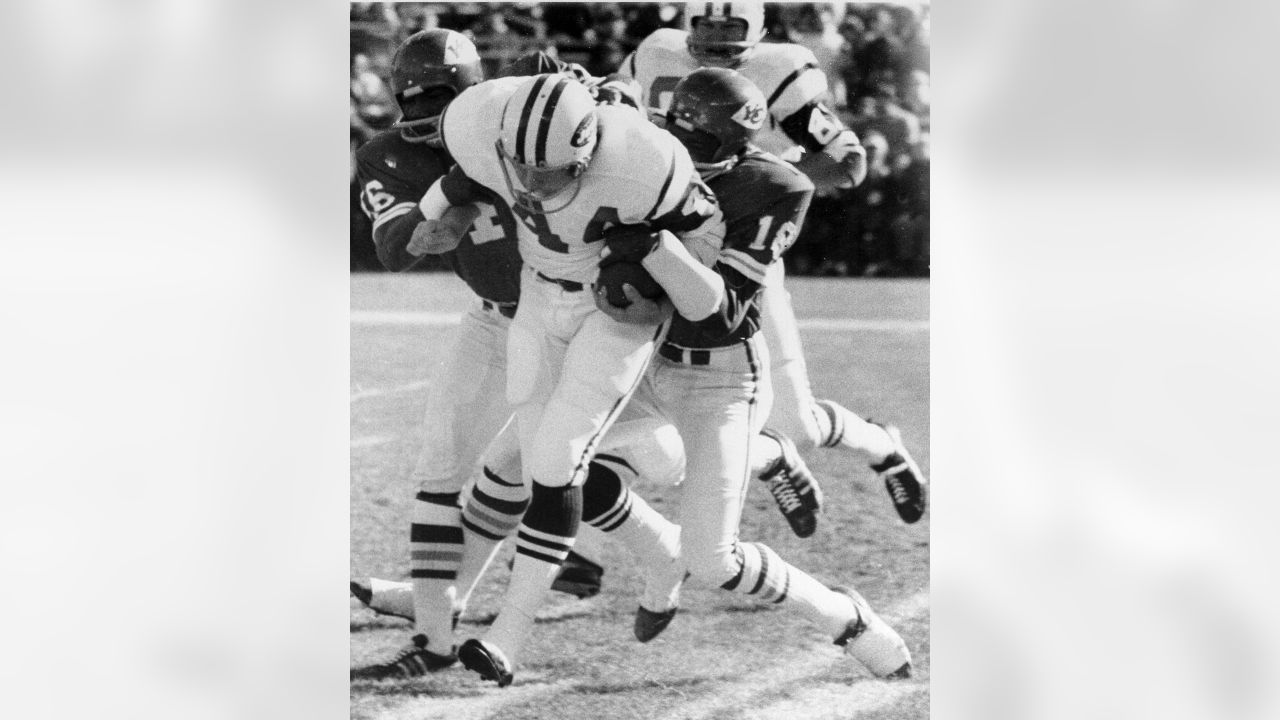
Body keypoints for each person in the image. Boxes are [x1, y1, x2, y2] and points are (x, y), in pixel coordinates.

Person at [350, 33, 690, 680]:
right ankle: (434, 626)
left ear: (478, 91)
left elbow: (607, 115)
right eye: (413, 102)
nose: (427, 115)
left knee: (563, 464)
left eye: (441, 100)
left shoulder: (519, 119)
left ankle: (658, 547)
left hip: (583, 315)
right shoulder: (403, 152)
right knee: (450, 455)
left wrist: (592, 98)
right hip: (497, 318)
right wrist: (441, 205)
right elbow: (394, 248)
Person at [583, 67, 912, 679]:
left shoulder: (774, 185)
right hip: (645, 356)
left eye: (699, 144)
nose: (683, 154)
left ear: (734, 145)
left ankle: (845, 617)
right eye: (673, 134)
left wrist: (653, 246)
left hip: (721, 374)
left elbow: (725, 312)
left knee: (714, 561)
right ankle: (673, 542)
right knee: (552, 464)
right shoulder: (650, 150)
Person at [420, 70, 726, 686]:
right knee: (541, 462)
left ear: (588, 147)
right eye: (520, 168)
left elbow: (707, 237)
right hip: (537, 296)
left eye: (548, 171)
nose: (530, 183)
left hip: (612, 311)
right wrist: (443, 224)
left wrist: (659, 272)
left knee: (557, 460)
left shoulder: (647, 159)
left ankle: (506, 637)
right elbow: (454, 190)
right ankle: (661, 549)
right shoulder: (485, 125)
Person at [618, 0, 926, 525]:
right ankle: (764, 461)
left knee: (797, 422)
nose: (716, 38)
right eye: (707, 25)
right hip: (662, 241)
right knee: (635, 411)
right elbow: (615, 102)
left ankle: (881, 447)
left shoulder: (776, 70)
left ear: (757, 29)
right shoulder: (657, 51)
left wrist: (765, 181)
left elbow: (847, 162)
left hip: (740, 249)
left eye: (730, 26)